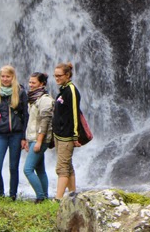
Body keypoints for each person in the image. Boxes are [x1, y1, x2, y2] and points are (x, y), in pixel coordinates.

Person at [0, 65, 28, 200]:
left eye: (8, 76)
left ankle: (12, 196)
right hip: (0, 134)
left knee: (13, 167)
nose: (5, 79)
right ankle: (0, 194)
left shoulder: (20, 93)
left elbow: (25, 116)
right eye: (3, 76)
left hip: (16, 134)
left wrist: (23, 137)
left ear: (13, 77)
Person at [52, 62, 82, 199]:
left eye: (59, 75)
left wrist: (75, 136)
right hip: (59, 135)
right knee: (68, 166)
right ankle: (72, 194)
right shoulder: (63, 90)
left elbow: (75, 114)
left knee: (62, 168)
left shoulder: (71, 90)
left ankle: (58, 199)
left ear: (67, 75)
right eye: (55, 76)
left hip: (67, 136)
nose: (56, 78)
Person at [23, 72, 54, 203]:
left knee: (27, 169)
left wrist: (39, 142)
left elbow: (44, 122)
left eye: (33, 82)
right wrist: (27, 140)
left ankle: (40, 197)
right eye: (29, 82)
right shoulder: (33, 99)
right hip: (33, 138)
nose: (30, 85)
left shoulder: (45, 100)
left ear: (42, 84)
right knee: (40, 169)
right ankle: (45, 196)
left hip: (39, 139)